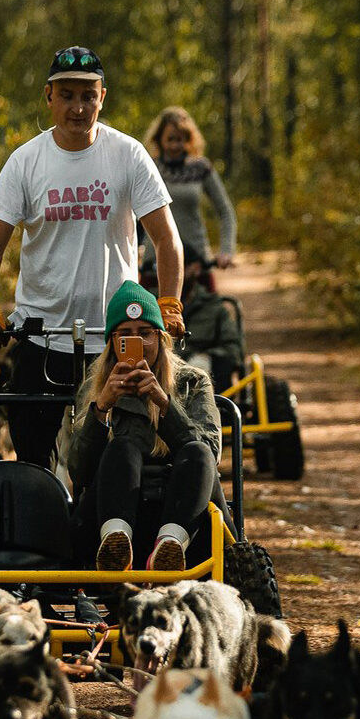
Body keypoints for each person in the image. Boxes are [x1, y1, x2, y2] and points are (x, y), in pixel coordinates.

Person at [0, 46, 187, 469]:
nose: (78, 107)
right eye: (67, 95)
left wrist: (169, 303)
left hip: (116, 340)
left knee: (115, 457)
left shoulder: (128, 155)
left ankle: (110, 531)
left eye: (88, 95)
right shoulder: (26, 162)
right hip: (40, 335)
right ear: (49, 97)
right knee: (32, 459)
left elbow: (166, 239)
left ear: (102, 97)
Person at [59, 280, 222, 572]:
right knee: (123, 446)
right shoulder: (95, 388)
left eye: (145, 333)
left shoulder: (192, 382)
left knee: (197, 452)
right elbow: (79, 471)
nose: (138, 343)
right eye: (126, 335)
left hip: (182, 513)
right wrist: (101, 409)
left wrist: (163, 403)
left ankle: (169, 548)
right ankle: (115, 544)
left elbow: (209, 454)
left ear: (160, 337)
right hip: (112, 512)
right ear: (113, 342)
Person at [143, 106, 237, 273]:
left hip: (198, 263)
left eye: (180, 139)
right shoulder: (148, 167)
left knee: (213, 300)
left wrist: (227, 251)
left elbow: (225, 211)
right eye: (170, 139)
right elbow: (134, 214)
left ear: (188, 139)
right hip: (155, 263)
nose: (175, 145)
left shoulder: (201, 167)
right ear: (159, 139)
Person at [180, 244, 244, 392]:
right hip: (162, 381)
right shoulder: (151, 307)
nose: (172, 272)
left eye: (179, 266)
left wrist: (207, 358)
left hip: (209, 388)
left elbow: (233, 349)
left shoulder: (215, 308)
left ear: (195, 268)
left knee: (202, 367)